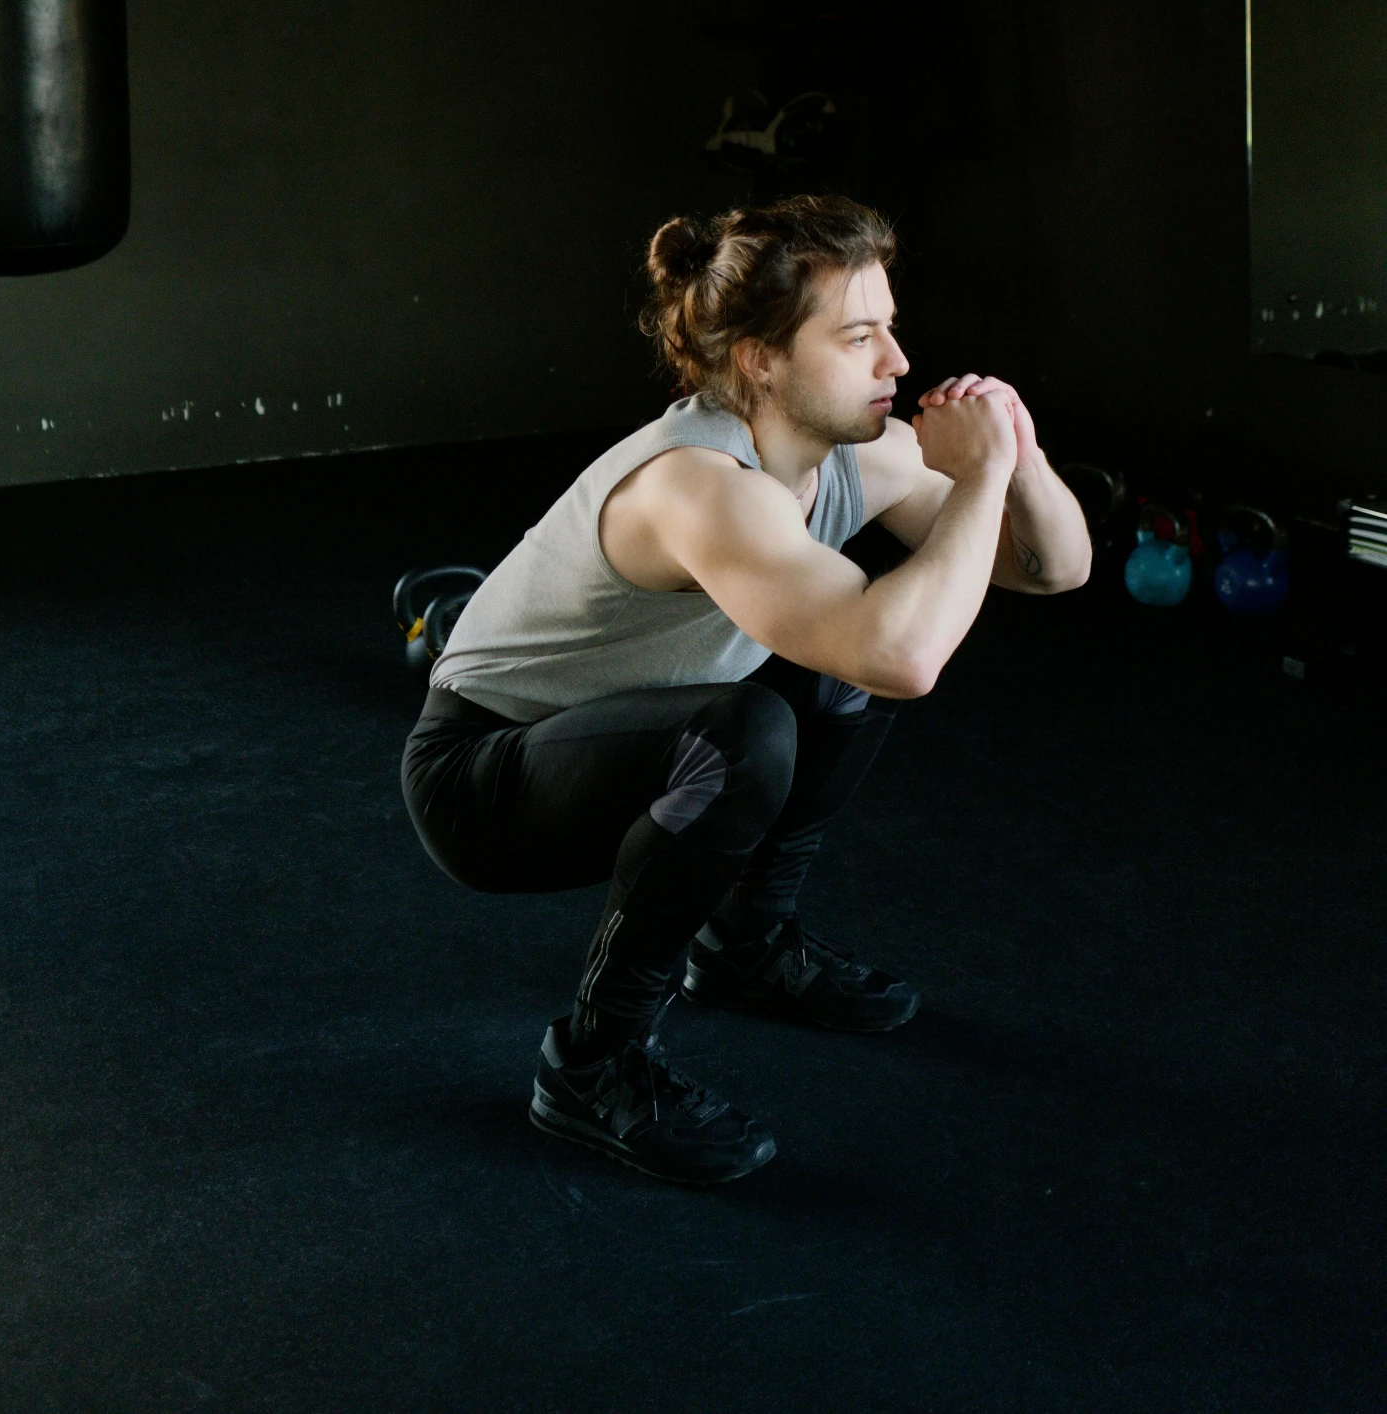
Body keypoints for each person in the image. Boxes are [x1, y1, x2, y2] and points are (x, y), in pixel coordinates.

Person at [401, 196, 1090, 1186]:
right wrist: (977, 486)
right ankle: (591, 1067)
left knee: (836, 660)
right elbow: (907, 655)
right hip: (481, 780)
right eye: (859, 336)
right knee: (749, 728)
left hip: (625, 735)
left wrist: (1014, 453)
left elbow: (1050, 565)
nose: (897, 362)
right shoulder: (699, 484)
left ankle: (744, 945)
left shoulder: (851, 455)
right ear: (762, 359)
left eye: (889, 327)